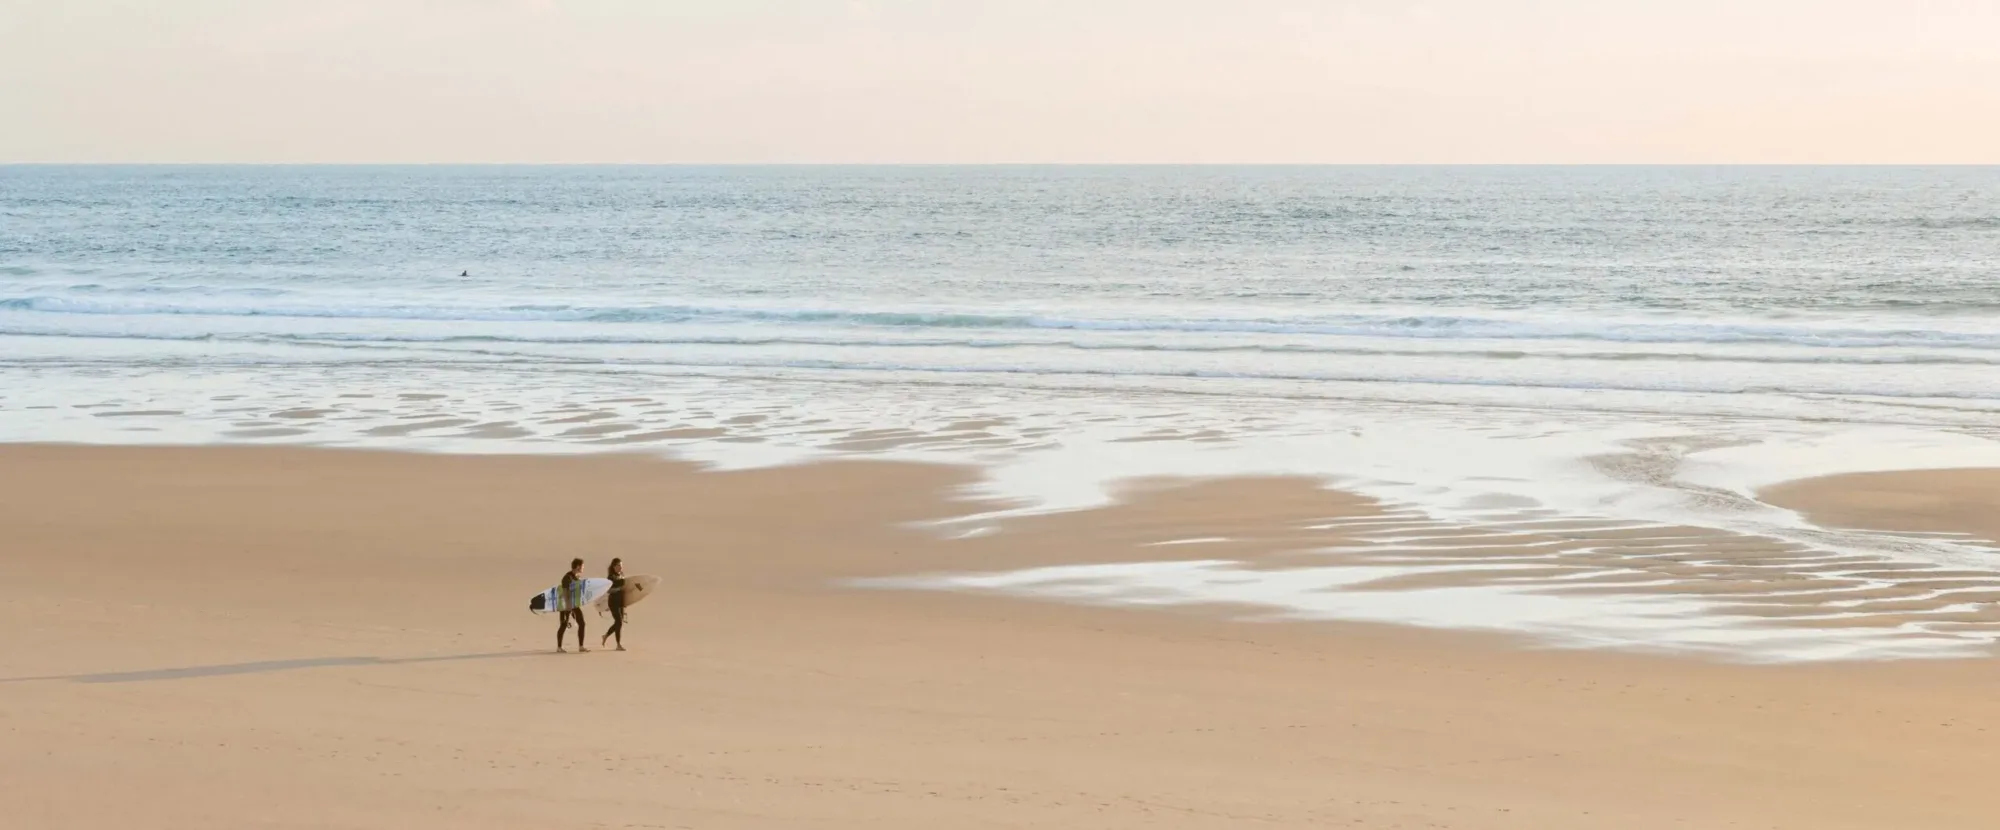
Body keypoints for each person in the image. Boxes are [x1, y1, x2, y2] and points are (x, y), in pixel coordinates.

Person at [557, 557, 589, 653]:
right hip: (565, 604)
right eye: (582, 566)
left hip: (574, 604)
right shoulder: (567, 577)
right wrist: (568, 606)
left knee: (582, 623)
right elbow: (565, 592)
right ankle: (559, 647)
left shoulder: (576, 577)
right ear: (578, 566)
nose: (583, 568)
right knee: (563, 624)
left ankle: (581, 646)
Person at [601, 557, 628, 651]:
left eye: (621, 565)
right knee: (619, 622)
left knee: (619, 623)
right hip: (613, 602)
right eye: (619, 565)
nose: (620, 567)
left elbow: (624, 588)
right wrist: (619, 587)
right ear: (614, 566)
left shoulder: (622, 575)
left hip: (620, 601)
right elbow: (608, 590)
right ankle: (618, 645)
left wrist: (625, 602)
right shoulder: (610, 577)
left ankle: (605, 635)